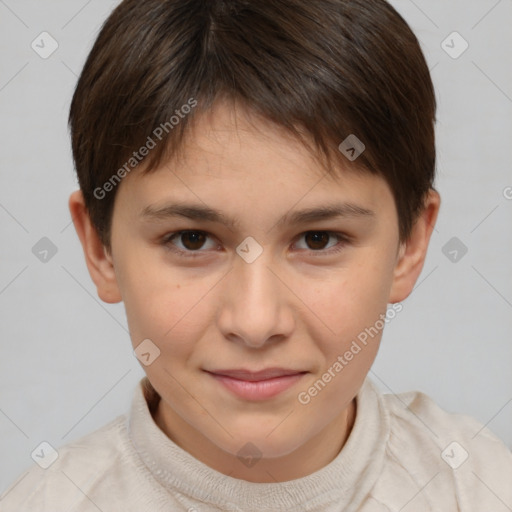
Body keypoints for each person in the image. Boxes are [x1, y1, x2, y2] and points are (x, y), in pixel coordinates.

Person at [2, 0, 511, 510]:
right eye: (192, 239)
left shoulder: (482, 488)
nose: (255, 321)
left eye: (318, 239)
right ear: (100, 249)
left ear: (410, 245)